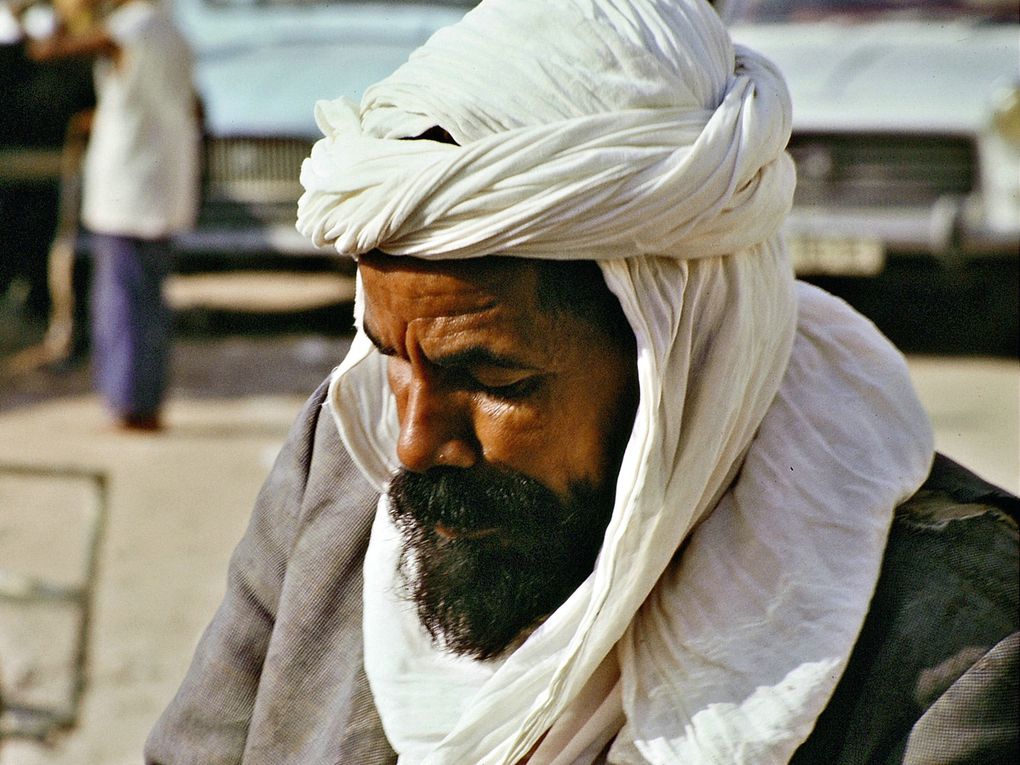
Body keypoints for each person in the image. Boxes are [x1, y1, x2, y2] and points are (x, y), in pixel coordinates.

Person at [146, 0, 1018, 762]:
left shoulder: (957, 649)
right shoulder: (338, 466)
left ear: (677, 357)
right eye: (387, 356)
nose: (412, 440)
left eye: (493, 379)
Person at [27, 0, 199, 430]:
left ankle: (128, 403)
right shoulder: (173, 31)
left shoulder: (128, 28)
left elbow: (46, 50)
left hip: (130, 188)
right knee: (148, 300)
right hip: (161, 182)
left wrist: (66, 13)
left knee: (122, 300)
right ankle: (144, 401)